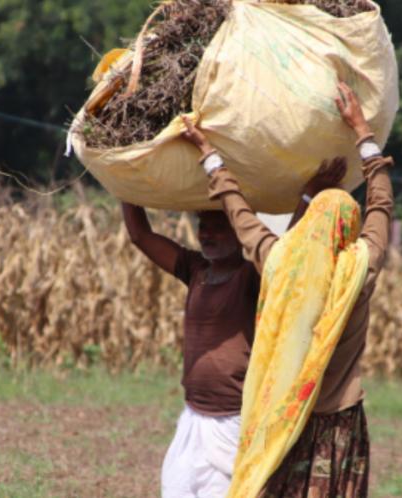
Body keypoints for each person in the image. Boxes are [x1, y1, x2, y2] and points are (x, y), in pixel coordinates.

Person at [180, 79, 395, 497]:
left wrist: (208, 153)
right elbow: (381, 206)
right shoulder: (358, 272)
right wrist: (362, 132)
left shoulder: (279, 263)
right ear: (346, 232)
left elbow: (236, 208)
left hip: (282, 414)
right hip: (339, 422)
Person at [121, 164, 344, 497]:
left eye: (218, 226)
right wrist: (124, 185)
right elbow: (141, 236)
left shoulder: (253, 277)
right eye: (203, 226)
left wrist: (308, 194)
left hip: (234, 421)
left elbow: (285, 252)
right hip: (193, 416)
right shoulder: (195, 270)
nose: (207, 234)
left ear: (239, 232)